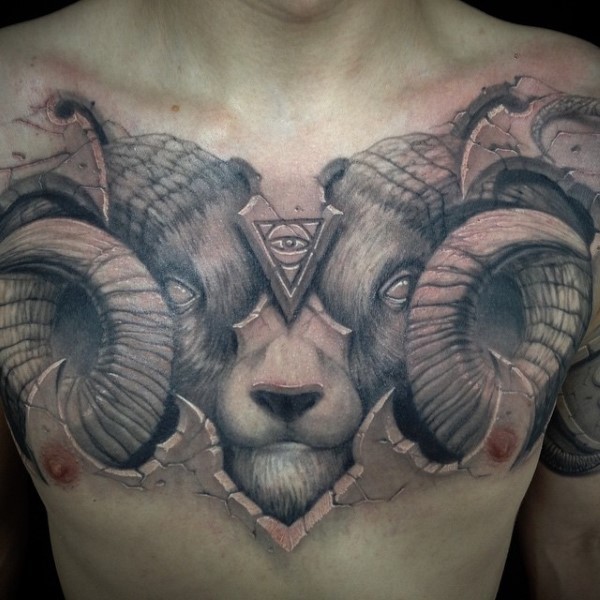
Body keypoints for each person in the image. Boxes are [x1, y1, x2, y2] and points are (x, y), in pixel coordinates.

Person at [0, 1, 598, 598]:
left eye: (403, 288)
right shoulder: (11, 106)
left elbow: (578, 545)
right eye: (176, 292)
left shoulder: (582, 129)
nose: (288, 378)